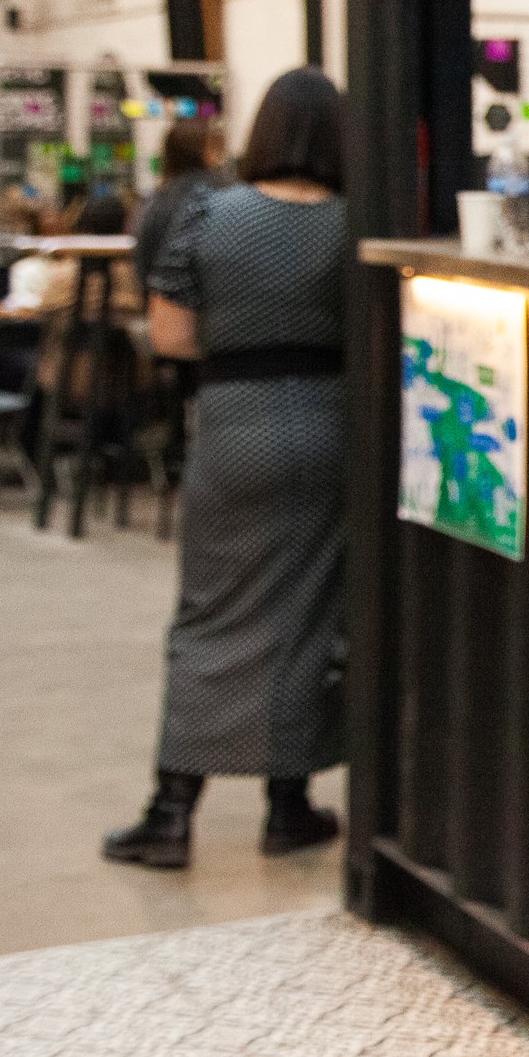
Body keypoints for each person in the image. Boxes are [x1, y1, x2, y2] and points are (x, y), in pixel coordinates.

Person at [104, 67, 351, 870]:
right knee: (310, 611)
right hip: (332, 423)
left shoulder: (210, 212)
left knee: (211, 612)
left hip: (236, 427)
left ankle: (170, 812)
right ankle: (289, 806)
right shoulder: (360, 221)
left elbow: (171, 336)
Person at [134, 118, 224, 300]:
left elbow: (142, 265)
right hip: (206, 309)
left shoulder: (156, 201)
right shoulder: (216, 194)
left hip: (157, 304)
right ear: (204, 150)